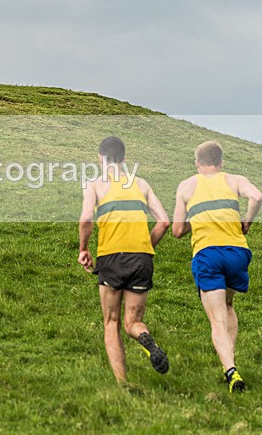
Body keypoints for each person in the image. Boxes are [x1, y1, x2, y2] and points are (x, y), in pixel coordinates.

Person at [78, 136, 170, 384]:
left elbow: (86, 219)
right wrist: (144, 248)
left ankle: (123, 384)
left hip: (111, 257)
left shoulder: (95, 185)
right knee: (133, 322)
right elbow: (164, 222)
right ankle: (146, 339)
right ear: (124, 159)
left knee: (112, 322)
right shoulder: (141, 184)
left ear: (100, 158)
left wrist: (83, 249)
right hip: (142, 259)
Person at [173, 141, 262, 393]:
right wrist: (247, 221)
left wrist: (199, 218)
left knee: (216, 319)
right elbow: (256, 196)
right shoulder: (234, 179)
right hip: (237, 252)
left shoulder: (187, 186)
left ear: (196, 163)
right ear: (220, 162)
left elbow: (177, 230)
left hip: (207, 254)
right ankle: (230, 361)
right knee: (228, 304)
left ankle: (230, 371)